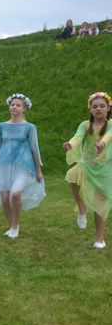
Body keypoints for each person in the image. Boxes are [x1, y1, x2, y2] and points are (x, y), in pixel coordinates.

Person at [0, 94, 45, 238]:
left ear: (24, 109)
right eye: (12, 104)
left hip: (23, 166)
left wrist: (38, 170)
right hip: (4, 165)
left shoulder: (29, 128)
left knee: (15, 193)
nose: (14, 107)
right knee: (4, 198)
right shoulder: (1, 126)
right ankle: (12, 227)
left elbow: (35, 149)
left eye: (18, 105)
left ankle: (15, 226)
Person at [63, 92, 112, 249]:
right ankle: (82, 208)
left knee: (100, 205)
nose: (98, 109)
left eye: (102, 106)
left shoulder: (111, 125)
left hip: (105, 169)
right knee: (72, 174)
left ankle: (99, 239)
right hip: (87, 164)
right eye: (95, 106)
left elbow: (108, 136)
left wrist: (102, 144)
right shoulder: (85, 125)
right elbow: (78, 137)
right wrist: (70, 144)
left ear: (108, 108)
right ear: (90, 109)